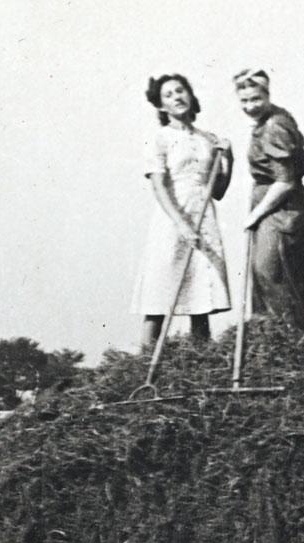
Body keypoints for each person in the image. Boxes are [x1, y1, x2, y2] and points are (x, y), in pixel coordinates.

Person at [132, 73, 233, 346]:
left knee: (200, 296)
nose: (177, 97)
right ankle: (142, 367)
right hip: (172, 219)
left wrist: (228, 159)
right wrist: (181, 223)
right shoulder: (160, 138)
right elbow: (159, 186)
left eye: (180, 91)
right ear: (161, 106)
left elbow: (219, 191)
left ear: (190, 95)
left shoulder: (207, 139)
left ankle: (200, 360)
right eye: (168, 95)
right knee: (159, 296)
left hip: (204, 217)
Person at [234, 68, 304, 330]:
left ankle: (288, 341)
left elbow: (286, 181)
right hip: (271, 203)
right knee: (266, 277)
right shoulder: (266, 121)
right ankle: (269, 340)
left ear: (267, 94)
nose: (250, 106)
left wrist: (255, 215)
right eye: (244, 101)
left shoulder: (274, 125)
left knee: (273, 274)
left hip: (282, 208)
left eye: (256, 99)